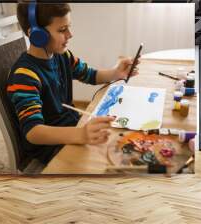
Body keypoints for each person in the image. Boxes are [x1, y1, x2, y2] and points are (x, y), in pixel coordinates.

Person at [7, 3, 139, 173]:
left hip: (74, 128)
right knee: (109, 166)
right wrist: (81, 135)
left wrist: (116, 73)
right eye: (62, 30)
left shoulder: (62, 55)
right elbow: (33, 132)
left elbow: (89, 75)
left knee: (122, 143)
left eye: (69, 27)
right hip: (52, 147)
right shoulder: (24, 76)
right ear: (37, 35)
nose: (70, 34)